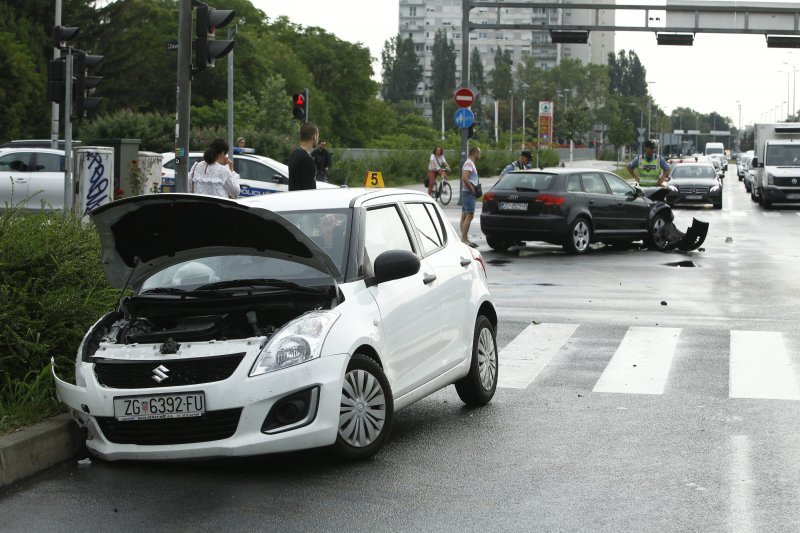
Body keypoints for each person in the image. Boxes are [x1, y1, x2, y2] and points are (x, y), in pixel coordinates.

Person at [460, 146, 481, 248]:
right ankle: (464, 239)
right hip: (468, 192)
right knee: (469, 215)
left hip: (467, 192)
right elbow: (464, 178)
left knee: (465, 215)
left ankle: (465, 238)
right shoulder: (469, 163)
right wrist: (472, 189)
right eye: (479, 153)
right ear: (475, 153)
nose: (479, 156)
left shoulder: (470, 163)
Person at [288, 122, 319, 191]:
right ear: (314, 136)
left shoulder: (294, 154)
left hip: (293, 198)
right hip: (303, 200)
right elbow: (309, 190)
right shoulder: (307, 159)